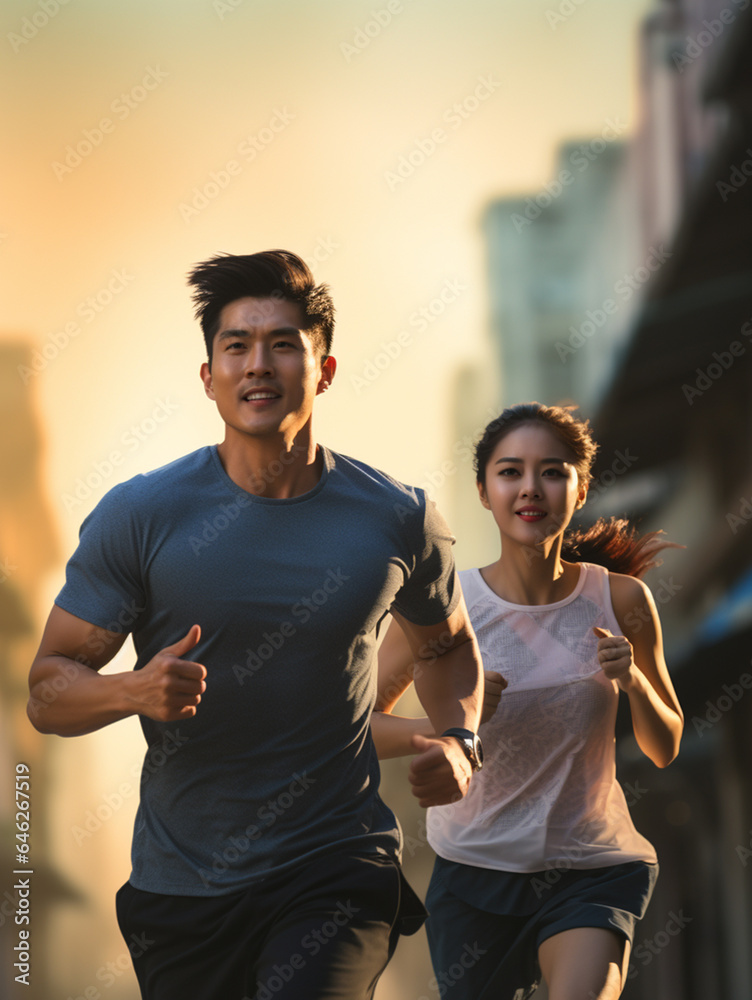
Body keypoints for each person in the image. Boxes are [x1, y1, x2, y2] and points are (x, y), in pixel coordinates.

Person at [26, 250, 486, 1000]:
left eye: (282, 344)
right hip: (184, 889)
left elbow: (449, 643)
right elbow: (47, 693)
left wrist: (462, 739)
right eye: (236, 346)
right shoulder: (141, 516)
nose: (257, 365)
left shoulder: (398, 516)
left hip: (336, 864)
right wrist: (132, 690)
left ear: (324, 369)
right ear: (208, 378)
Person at [372, 402, 684, 1000]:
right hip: (473, 872)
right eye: (510, 471)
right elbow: (359, 723)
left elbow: (665, 745)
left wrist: (632, 682)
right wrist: (454, 722)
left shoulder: (623, 601)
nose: (530, 488)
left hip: (591, 866)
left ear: (580, 486)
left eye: (552, 471)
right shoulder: (445, 609)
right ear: (485, 492)